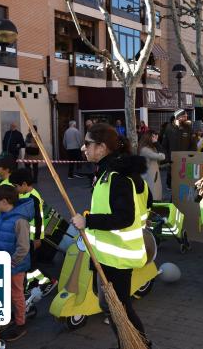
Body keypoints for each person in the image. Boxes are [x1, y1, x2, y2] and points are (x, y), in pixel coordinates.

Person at [70, 123, 149, 341]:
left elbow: (125, 217)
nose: (83, 149)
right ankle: (129, 343)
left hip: (118, 256)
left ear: (102, 147)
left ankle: (139, 344)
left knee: (120, 308)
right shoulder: (108, 172)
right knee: (112, 306)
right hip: (107, 254)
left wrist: (88, 221)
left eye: (87, 144)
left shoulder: (118, 176)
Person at [0, 185, 34, 342]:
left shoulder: (20, 221)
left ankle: (20, 324)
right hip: (2, 263)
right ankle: (10, 317)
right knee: (5, 293)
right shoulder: (2, 215)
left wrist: (12, 263)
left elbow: (23, 247)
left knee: (16, 294)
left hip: (14, 266)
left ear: (4, 201)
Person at [9, 168, 56, 295]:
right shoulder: (24, 194)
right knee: (28, 264)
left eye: (16, 186)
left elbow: (39, 219)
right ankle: (33, 283)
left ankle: (47, 281)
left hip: (31, 238)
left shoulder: (33, 197)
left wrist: (37, 238)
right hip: (25, 237)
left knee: (30, 265)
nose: (15, 189)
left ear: (24, 184)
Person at [162, 109, 194, 188]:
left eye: (186, 116)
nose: (186, 118)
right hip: (173, 160)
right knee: (174, 184)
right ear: (177, 117)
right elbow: (164, 145)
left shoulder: (188, 128)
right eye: (184, 117)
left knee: (184, 183)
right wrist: (167, 158)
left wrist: (191, 156)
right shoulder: (168, 128)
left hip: (185, 160)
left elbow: (193, 145)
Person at [138, 131, 165, 201]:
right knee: (152, 195)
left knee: (154, 194)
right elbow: (162, 157)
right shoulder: (145, 150)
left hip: (153, 175)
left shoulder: (151, 148)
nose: (155, 138)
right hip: (149, 176)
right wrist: (157, 144)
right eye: (153, 136)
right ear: (148, 137)